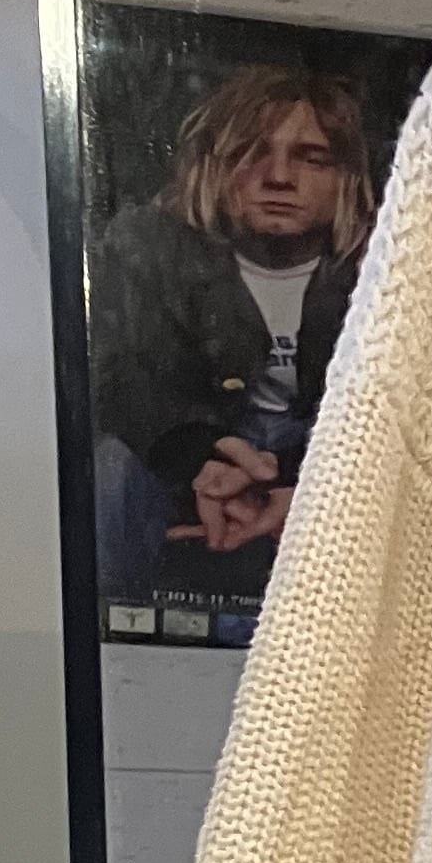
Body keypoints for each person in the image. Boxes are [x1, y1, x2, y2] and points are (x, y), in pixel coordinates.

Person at [90, 64, 381, 619]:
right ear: (215, 166)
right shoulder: (149, 247)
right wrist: (201, 458)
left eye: (311, 158)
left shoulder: (389, 263)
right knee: (111, 470)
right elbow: (124, 379)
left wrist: (298, 477)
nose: (279, 177)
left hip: (332, 457)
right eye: (252, 153)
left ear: (346, 175)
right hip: (198, 443)